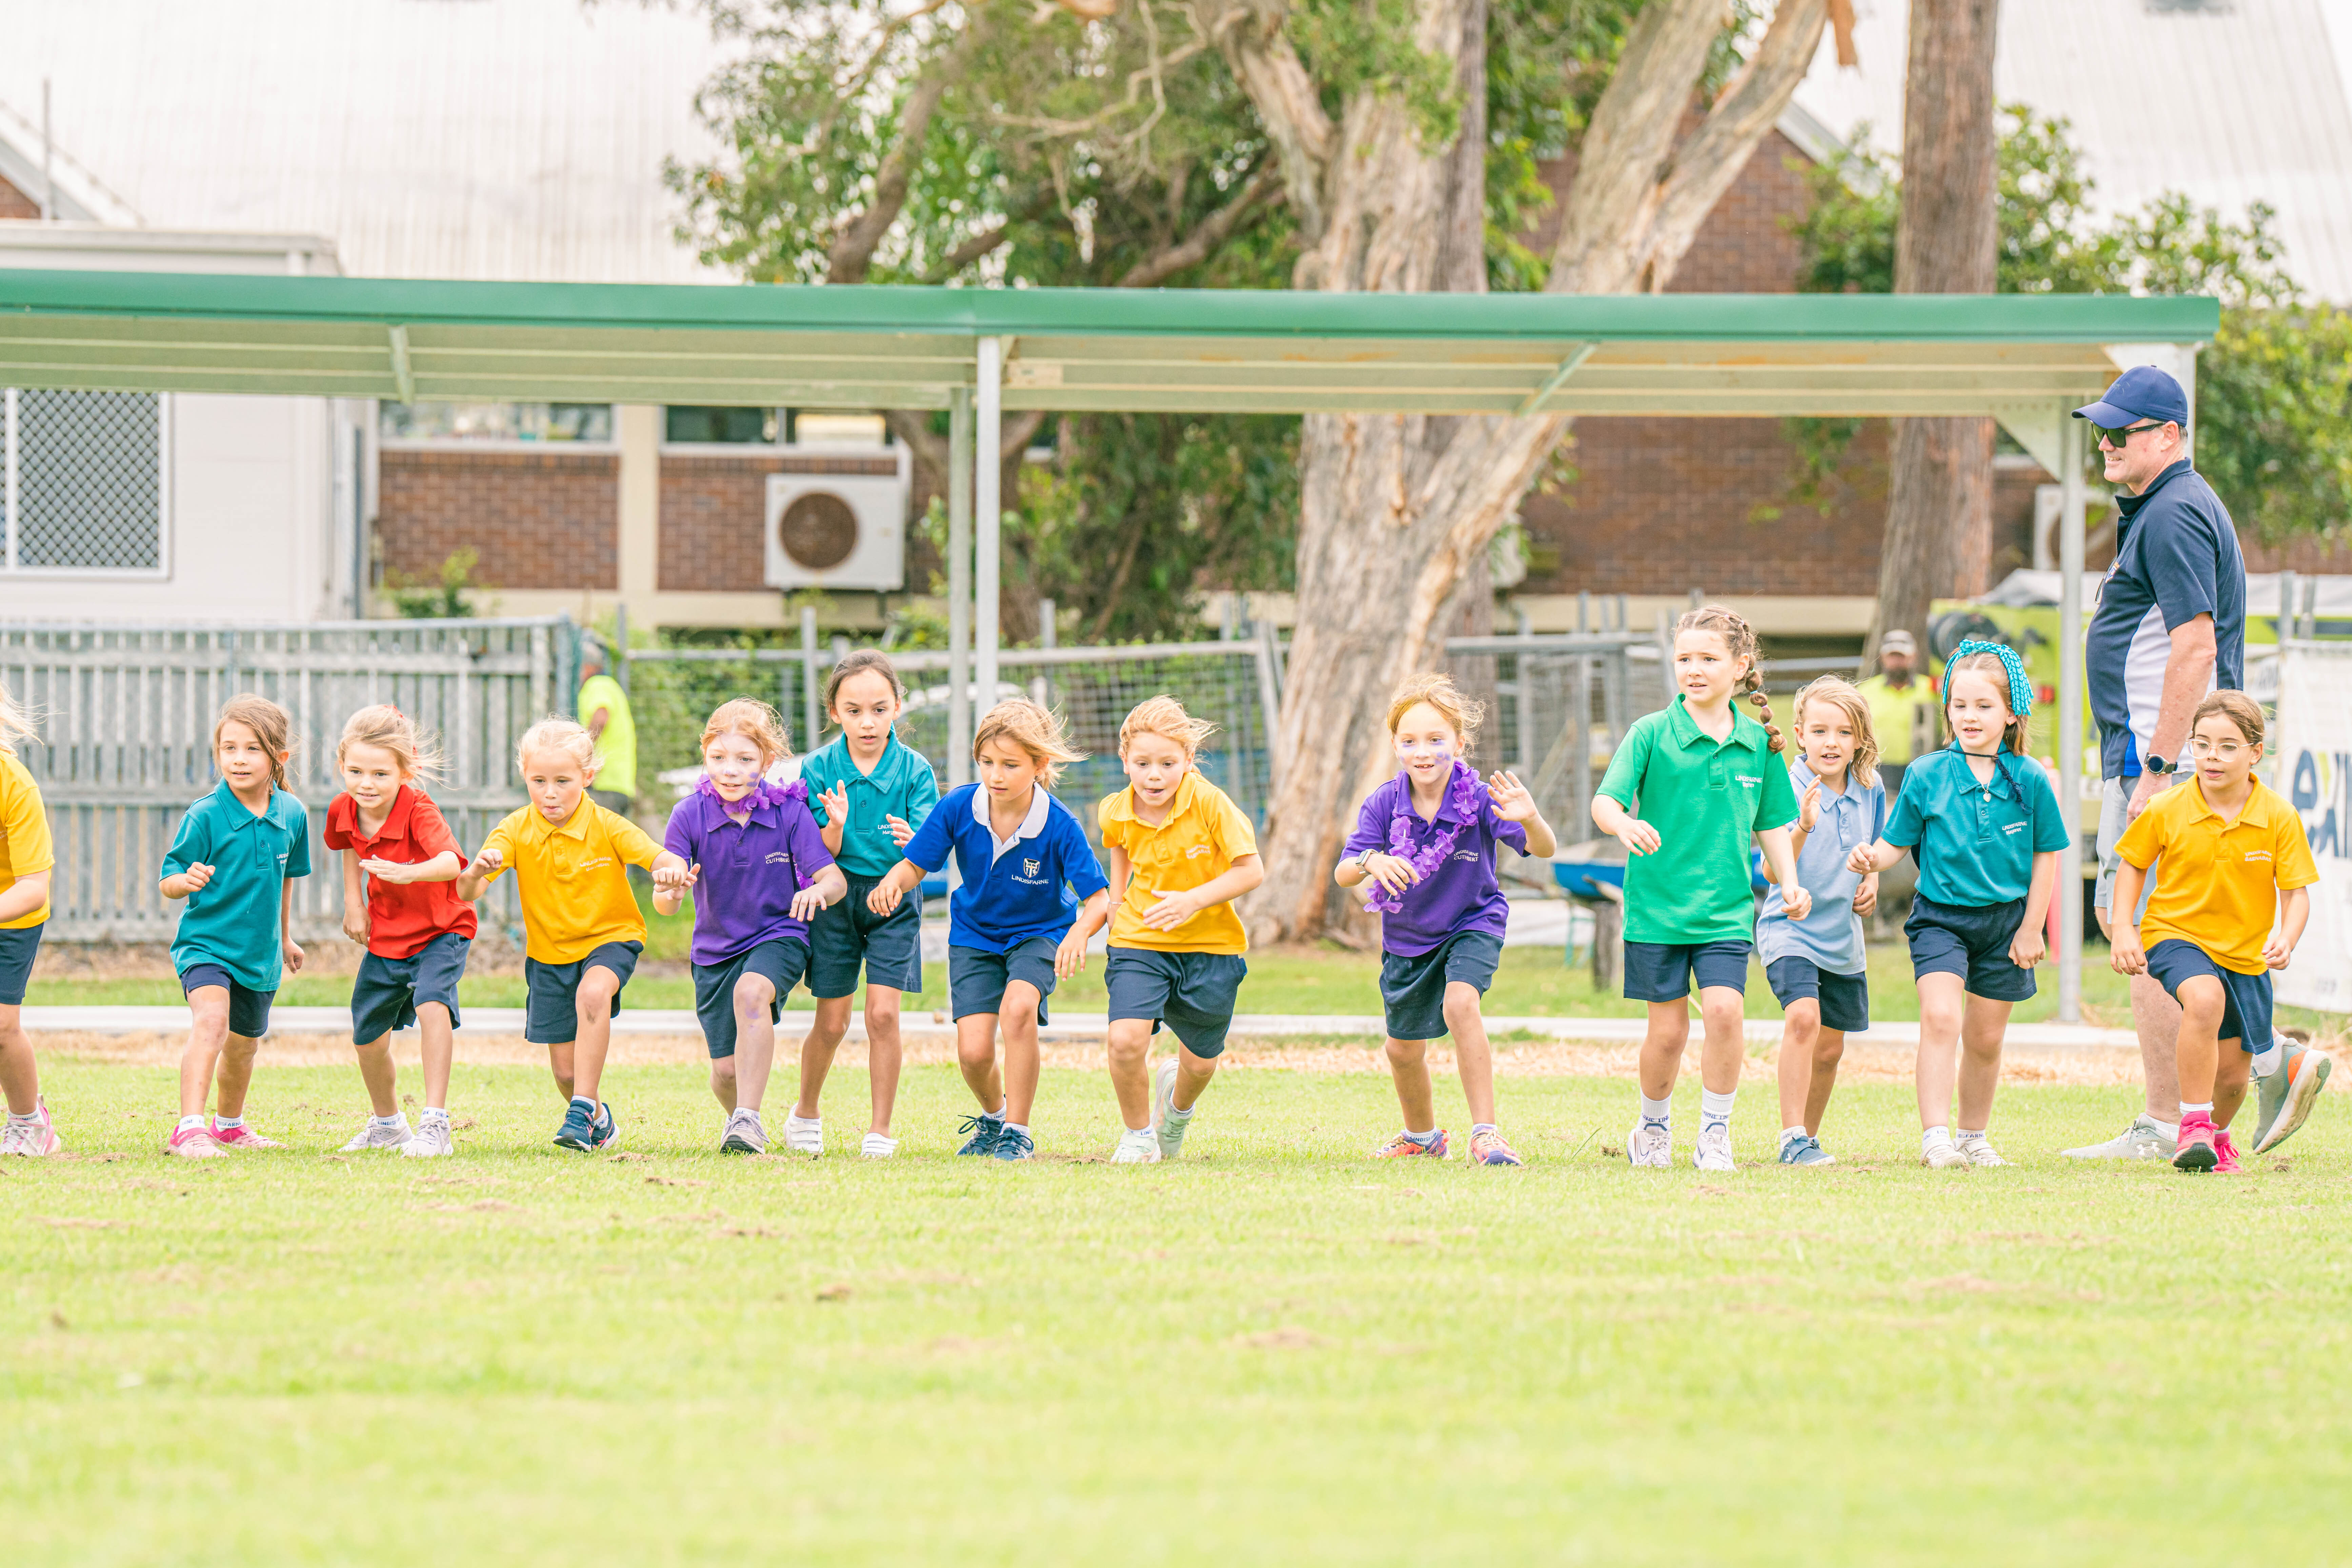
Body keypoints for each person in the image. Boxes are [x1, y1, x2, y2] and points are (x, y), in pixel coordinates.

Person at [2060, 365, 2329, 1158]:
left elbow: (2194, 646)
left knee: (2146, 931)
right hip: (2180, 758)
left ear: (2170, 435)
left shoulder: (2173, 511)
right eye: (2101, 431)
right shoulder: (2171, 505)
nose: (2105, 443)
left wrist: (2156, 766)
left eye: (2122, 431)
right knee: (2181, 934)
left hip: (2168, 763)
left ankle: (2167, 1118)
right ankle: (2269, 1061)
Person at [1591, 606, 1808, 1172]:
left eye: (1707, 658)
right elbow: (1604, 802)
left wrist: (1789, 882)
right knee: (1667, 1034)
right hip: (1656, 911)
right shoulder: (1650, 733)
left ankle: (1714, 1134)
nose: (1693, 668)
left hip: (1724, 912)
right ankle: (1651, 1129)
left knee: (1724, 1013)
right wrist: (1622, 824)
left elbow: (1771, 824)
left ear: (1739, 666)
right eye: (1683, 658)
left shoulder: (1758, 743)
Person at [1848, 643, 2067, 1169]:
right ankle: (1936, 1139)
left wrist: (2031, 928)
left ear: (2011, 712)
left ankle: (1972, 1137)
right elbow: (1894, 843)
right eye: (1959, 705)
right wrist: (1870, 858)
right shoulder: (1926, 773)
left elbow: (2046, 856)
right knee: (1941, 1017)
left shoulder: (2030, 778)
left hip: (2006, 924)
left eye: (1983, 706)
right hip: (1940, 920)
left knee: (1985, 1038)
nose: (1969, 716)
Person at [868, 698, 1109, 1162]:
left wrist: (1080, 933)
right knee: (975, 1054)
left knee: (1018, 1009)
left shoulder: (1060, 824)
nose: (996, 775)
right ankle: (995, 1118)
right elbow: (916, 864)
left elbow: (1098, 899)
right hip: (974, 936)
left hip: (1038, 933)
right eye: (987, 762)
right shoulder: (959, 805)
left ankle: (1018, 1131)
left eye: (1010, 765)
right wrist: (892, 883)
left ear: (1040, 765)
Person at [1336, 674, 1555, 1166]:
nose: (1423, 752)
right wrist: (1372, 860)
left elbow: (1543, 849)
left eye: (1436, 739)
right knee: (1401, 1050)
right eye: (1410, 741)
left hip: (1472, 921)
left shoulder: (1479, 798)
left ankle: (1486, 1135)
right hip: (1407, 937)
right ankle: (1422, 1136)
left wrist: (1530, 818)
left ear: (1459, 743)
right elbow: (1343, 871)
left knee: (1460, 1004)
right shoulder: (1383, 803)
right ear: (1396, 745)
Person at [456, 718, 689, 1153]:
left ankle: (580, 1110)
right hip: (549, 955)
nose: (550, 793)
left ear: (588, 777)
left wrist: (671, 872)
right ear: (525, 776)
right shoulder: (514, 829)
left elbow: (659, 857)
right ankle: (597, 1117)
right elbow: (468, 892)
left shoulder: (608, 824)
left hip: (611, 937)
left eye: (562, 781)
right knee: (565, 1073)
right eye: (538, 781)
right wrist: (475, 872)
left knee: (593, 993)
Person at [2106, 692, 2316, 1173]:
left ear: (2255, 752)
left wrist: (2287, 937)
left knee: (2234, 1079)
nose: (2211, 757)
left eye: (2226, 747)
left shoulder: (2278, 815)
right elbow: (2132, 866)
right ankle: (2194, 1126)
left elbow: (2296, 893)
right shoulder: (2167, 807)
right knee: (2203, 999)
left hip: (2245, 955)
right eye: (2201, 745)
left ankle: (2215, 1140)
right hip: (2175, 934)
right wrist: (2123, 928)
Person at [657, 700, 844, 1155]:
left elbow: (834, 879)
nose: (731, 770)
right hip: (713, 952)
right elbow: (664, 904)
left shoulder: (790, 813)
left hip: (779, 935)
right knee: (725, 1073)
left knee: (752, 992)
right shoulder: (687, 815)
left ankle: (748, 1117)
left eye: (745, 759)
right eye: (718, 757)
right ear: (705, 755)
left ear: (767, 761)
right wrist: (673, 891)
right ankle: (742, 1121)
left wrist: (817, 892)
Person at [1095, 696, 1265, 1164]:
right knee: (1125, 1040)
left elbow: (1251, 871)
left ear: (1188, 761)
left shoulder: (1211, 803)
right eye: (1143, 764)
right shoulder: (1114, 809)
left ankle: (1175, 1112)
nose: (1154, 776)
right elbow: (1119, 844)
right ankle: (1137, 1135)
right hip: (1138, 940)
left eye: (1167, 764)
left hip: (1212, 948)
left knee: (1201, 1063)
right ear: (1124, 760)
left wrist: (1192, 900)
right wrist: (1116, 900)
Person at [794, 651, 939, 1160]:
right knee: (832, 1022)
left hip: (893, 898)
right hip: (835, 896)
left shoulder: (915, 770)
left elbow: (926, 852)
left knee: (882, 1016)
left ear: (897, 707)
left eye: (879, 709)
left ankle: (879, 1130)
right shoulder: (817, 768)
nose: (868, 722)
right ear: (835, 712)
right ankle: (805, 1112)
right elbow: (817, 852)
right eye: (854, 711)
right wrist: (833, 827)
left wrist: (913, 846)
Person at [159, 697, 310, 1158]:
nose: (239, 759)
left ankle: (229, 1126)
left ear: (279, 757)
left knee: (244, 1047)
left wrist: (285, 937)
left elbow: (285, 879)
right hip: (206, 946)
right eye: (229, 748)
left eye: (252, 749)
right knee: (212, 1022)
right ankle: (189, 1128)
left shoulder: (293, 813)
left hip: (260, 954)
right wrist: (185, 881)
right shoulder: (205, 814)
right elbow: (168, 880)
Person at [323, 705, 474, 1158]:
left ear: (405, 772)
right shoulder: (344, 808)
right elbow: (349, 845)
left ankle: (436, 1124)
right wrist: (354, 903)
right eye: (355, 771)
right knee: (367, 1036)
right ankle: (388, 1125)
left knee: (432, 1004)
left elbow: (451, 863)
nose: (366, 784)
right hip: (388, 935)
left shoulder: (419, 808)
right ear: (341, 764)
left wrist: (408, 873)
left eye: (380, 774)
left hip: (442, 928)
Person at [1758, 676, 1885, 1168]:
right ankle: (1791, 1137)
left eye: (1843, 732)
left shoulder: (1870, 789)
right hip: (1789, 927)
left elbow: (1874, 849)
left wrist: (1870, 879)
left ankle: (1807, 1142)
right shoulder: (1785, 788)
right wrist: (1805, 826)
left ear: (1859, 739)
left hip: (1842, 937)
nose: (1831, 743)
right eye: (1819, 731)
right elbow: (1771, 872)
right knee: (1803, 1020)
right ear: (1800, 734)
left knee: (1830, 1048)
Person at [0, 676, 61, 1157]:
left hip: (13, 912)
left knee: (1, 1027)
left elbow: (33, 887)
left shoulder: (15, 784)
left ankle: (29, 1122)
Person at [1857, 629, 1938, 801]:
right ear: (1883, 658)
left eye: (1902, 657)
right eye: (1892, 657)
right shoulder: (1865, 691)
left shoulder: (1930, 689)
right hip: (1878, 769)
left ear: (1913, 657)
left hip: (1920, 769)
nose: (1897, 662)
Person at [577, 640, 637, 819]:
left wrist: (580, 754)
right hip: (617, 784)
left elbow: (601, 718)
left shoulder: (598, 684)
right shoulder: (609, 685)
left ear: (587, 667)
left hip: (605, 784)